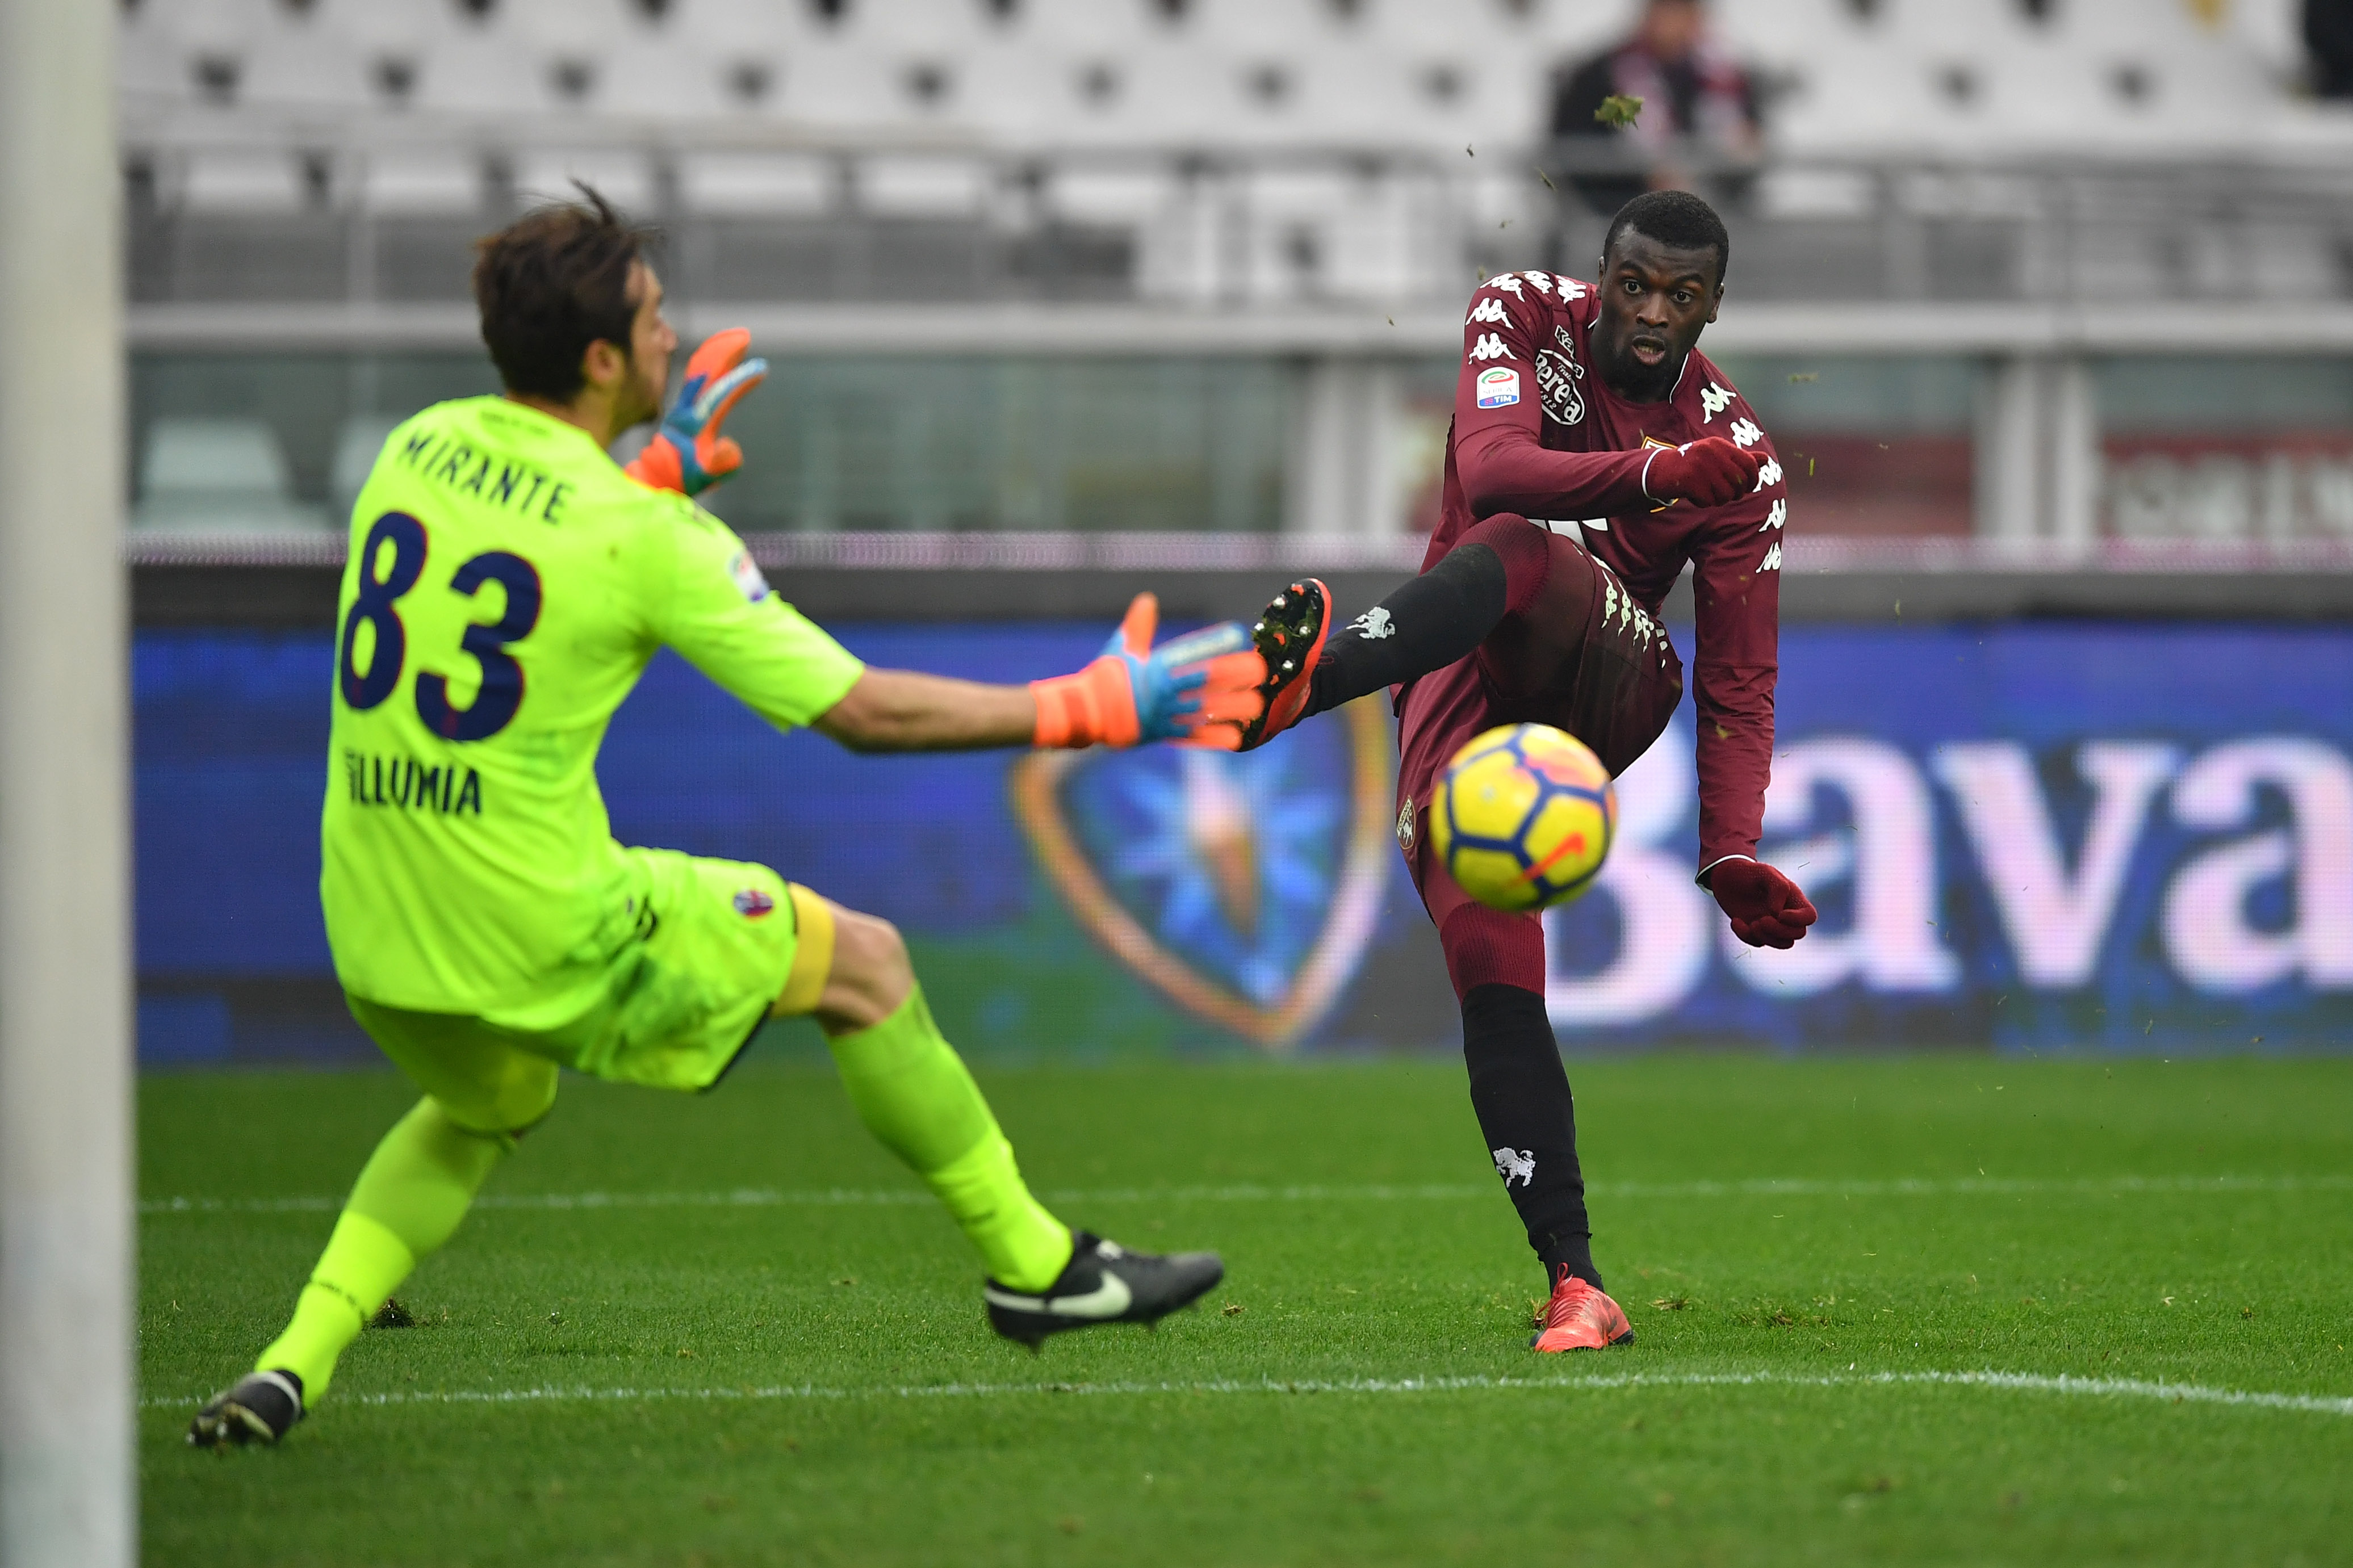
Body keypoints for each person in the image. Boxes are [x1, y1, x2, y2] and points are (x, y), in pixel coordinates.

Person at [189, 191, 1265, 1448]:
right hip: (536, 923)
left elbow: (535, 537)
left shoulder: (416, 447)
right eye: (648, 319)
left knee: (489, 1101)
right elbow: (866, 715)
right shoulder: (649, 539)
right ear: (599, 358)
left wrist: (648, 464)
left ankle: (290, 1363)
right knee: (863, 965)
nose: (667, 338)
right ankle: (1040, 1268)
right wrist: (1088, 704)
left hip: (375, 926)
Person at [1229, 189, 1816, 1353]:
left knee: (1518, 553)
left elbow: (1737, 680)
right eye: (1634, 283)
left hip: (1605, 682)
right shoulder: (1516, 314)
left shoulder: (1737, 459)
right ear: (1599, 273)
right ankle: (1575, 1280)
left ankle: (1299, 686)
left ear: (1712, 304)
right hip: (1456, 679)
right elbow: (1493, 464)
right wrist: (1652, 479)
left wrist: (1728, 845)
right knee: (1488, 960)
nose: (1651, 314)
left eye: (1681, 295)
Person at [1549, 0, 1761, 215]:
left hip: (1715, 212)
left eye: (1684, 11)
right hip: (1622, 214)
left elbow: (1751, 140)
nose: (1674, 22)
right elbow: (1575, 149)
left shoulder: (1726, 78)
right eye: (1667, 10)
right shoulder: (1599, 76)